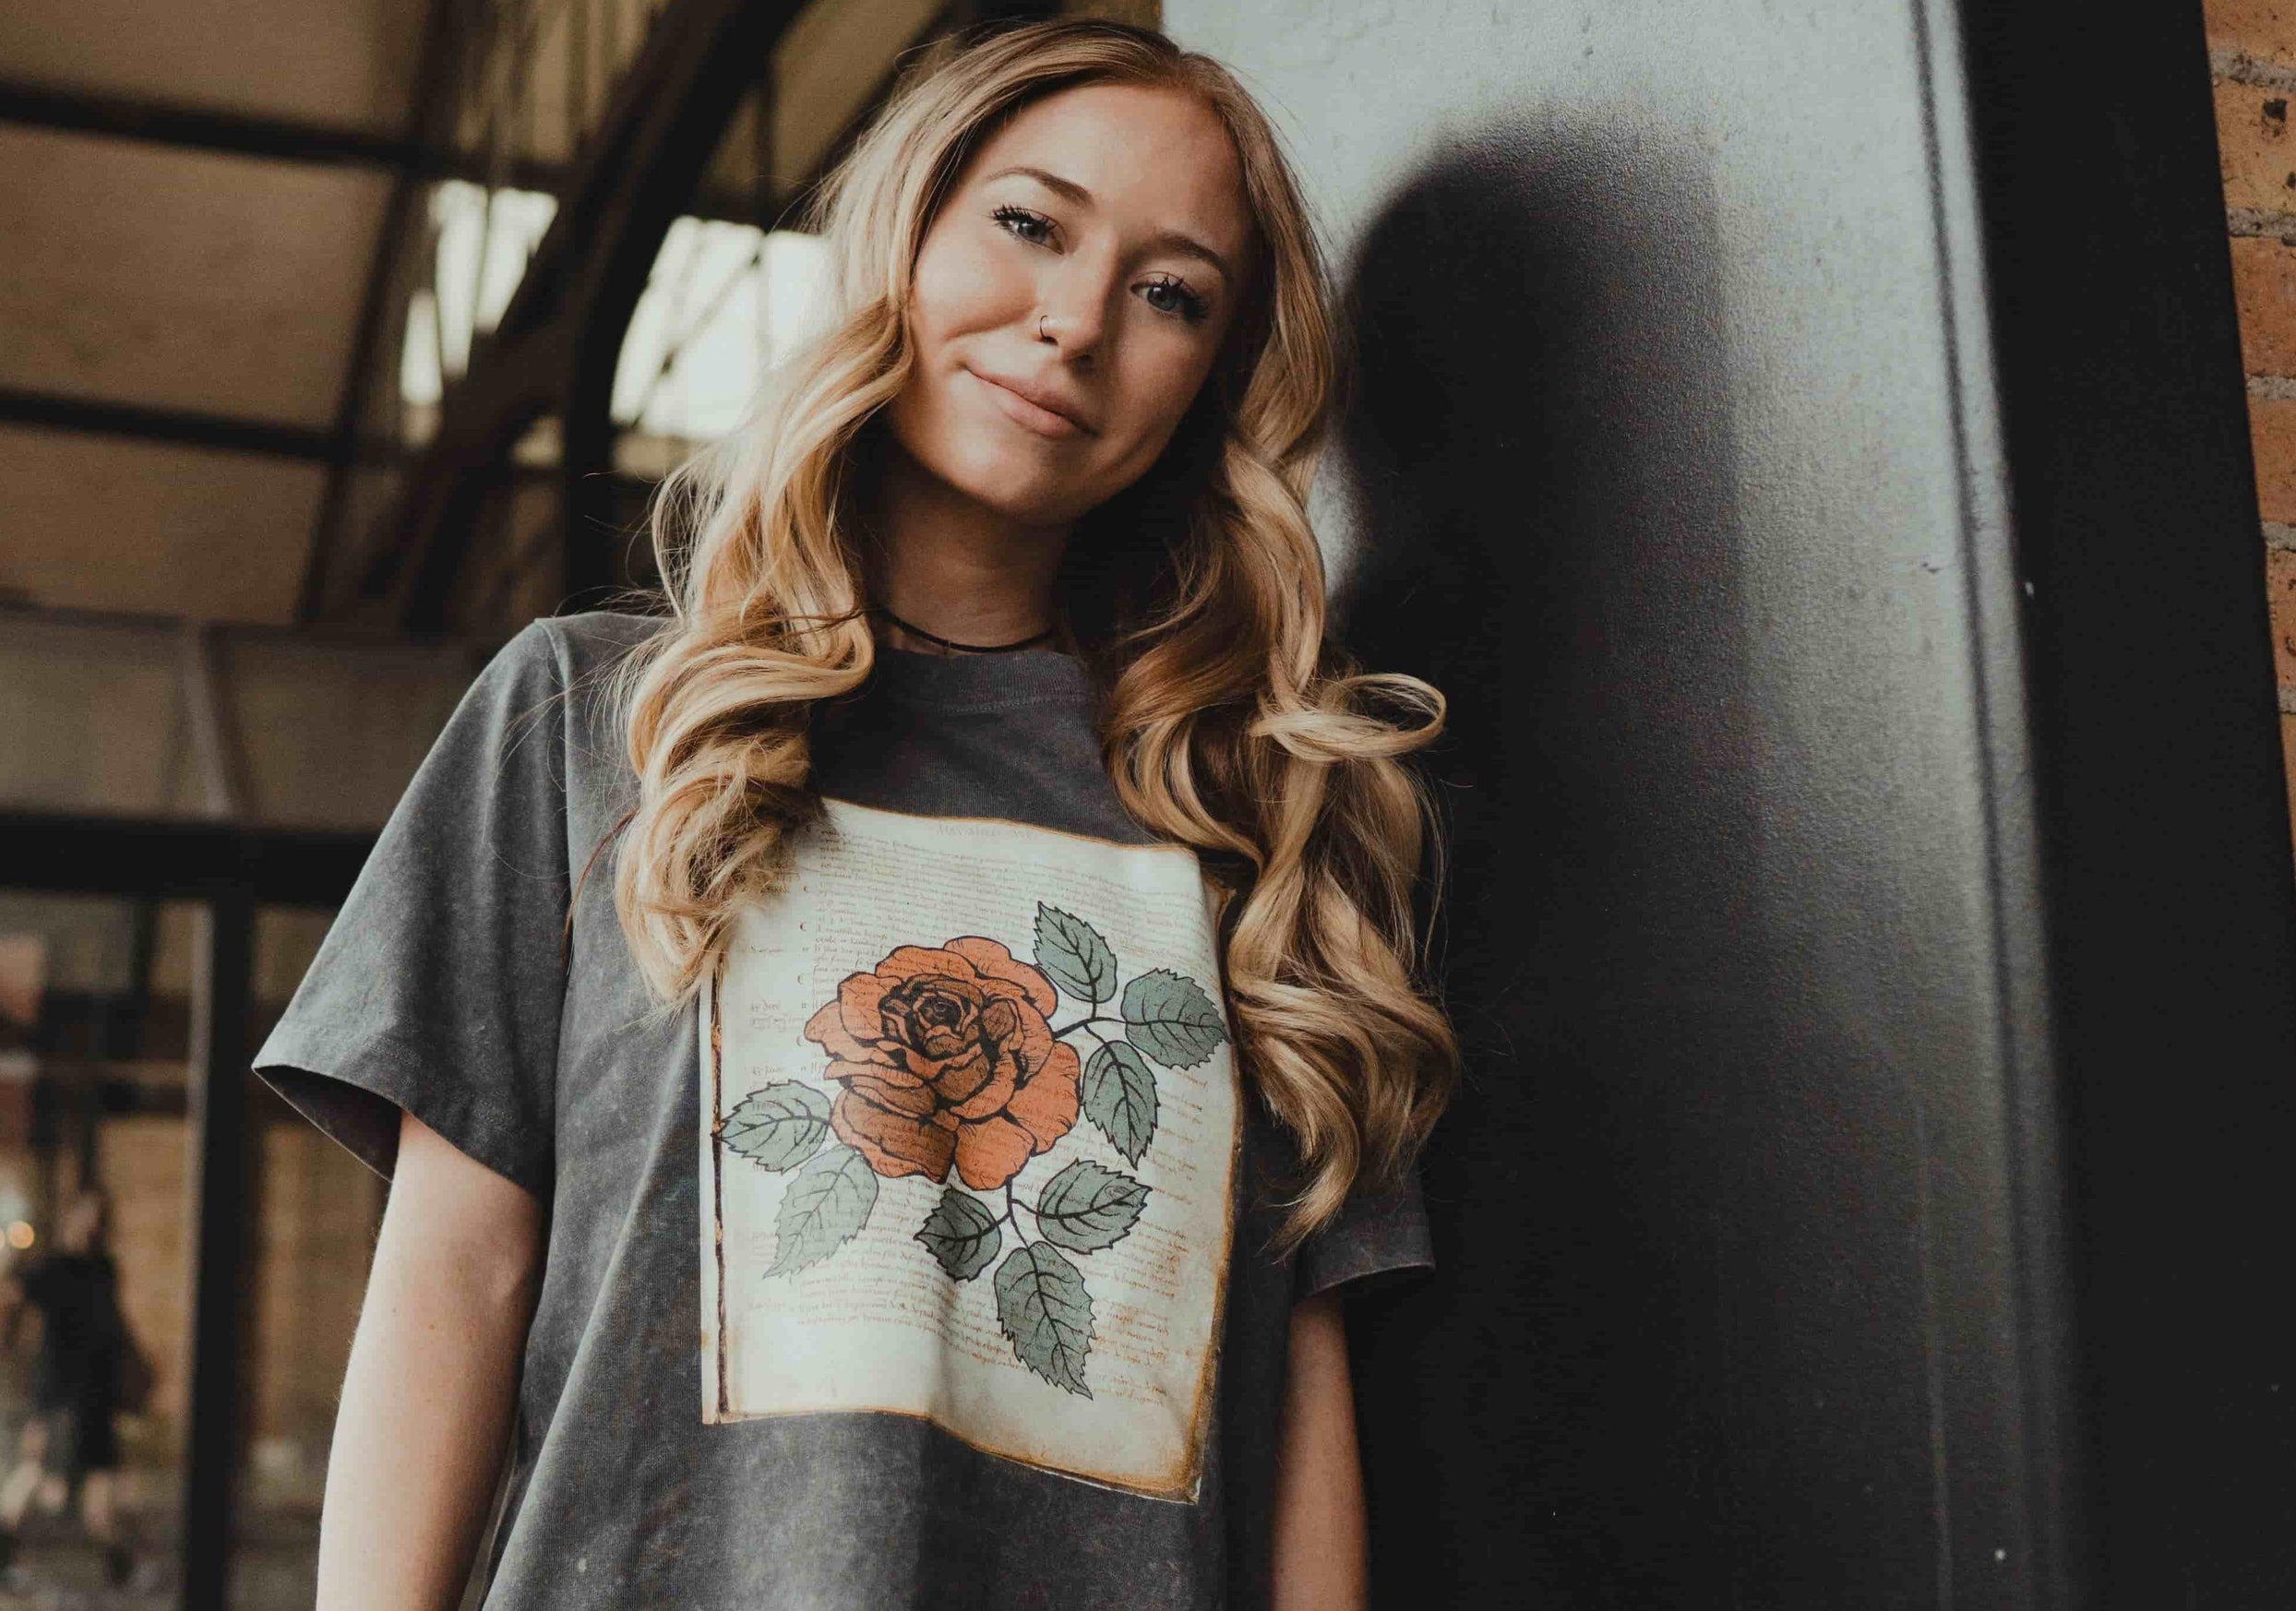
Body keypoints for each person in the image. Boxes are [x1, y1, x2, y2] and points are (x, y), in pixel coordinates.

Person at [255, 20, 1454, 1611]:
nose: (1077, 322)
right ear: (904, 232)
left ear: (1212, 381)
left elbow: (1301, 1387)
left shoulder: (1265, 811)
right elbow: (454, 1278)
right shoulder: (589, 722)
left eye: (1173, 294)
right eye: (1030, 223)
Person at [0, 1191, 154, 1589]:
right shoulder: (52, 1268)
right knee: (37, 1475)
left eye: (99, 1217)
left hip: (95, 1395)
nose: (93, 1225)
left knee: (101, 1485)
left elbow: (114, 1324)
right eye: (87, 1216)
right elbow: (6, 1296)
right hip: (59, 1396)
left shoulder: (104, 1268)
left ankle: (122, 1567)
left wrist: (134, 1371)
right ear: (71, 1219)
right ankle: (0, 1555)